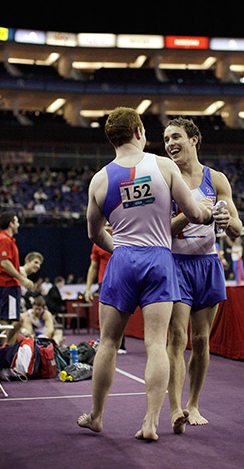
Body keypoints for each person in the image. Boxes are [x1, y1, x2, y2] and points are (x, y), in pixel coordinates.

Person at [76, 107, 212, 441]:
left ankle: (96, 416)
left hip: (122, 258)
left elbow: (94, 235)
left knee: (108, 342)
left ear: (111, 139)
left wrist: (120, 249)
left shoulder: (100, 180)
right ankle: (151, 422)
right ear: (140, 131)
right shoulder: (163, 166)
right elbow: (193, 212)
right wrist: (209, 215)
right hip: (159, 260)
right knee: (156, 344)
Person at [163, 117, 242, 433]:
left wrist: (224, 217)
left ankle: (193, 404)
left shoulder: (217, 179)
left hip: (208, 265)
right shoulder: (165, 179)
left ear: (194, 139)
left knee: (200, 339)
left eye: (176, 137)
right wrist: (192, 212)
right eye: (166, 139)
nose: (170, 144)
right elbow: (159, 231)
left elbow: (237, 229)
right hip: (176, 264)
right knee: (178, 338)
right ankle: (174, 409)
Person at [84, 223, 126, 353]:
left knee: (121, 313)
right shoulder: (98, 243)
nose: (107, 228)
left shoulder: (123, 240)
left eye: (110, 225)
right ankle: (104, 342)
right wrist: (88, 288)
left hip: (122, 280)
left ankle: (121, 344)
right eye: (105, 225)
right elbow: (93, 267)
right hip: (104, 282)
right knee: (105, 315)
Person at [0, 211, 34, 343]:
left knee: (13, 319)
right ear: (11, 224)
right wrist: (22, 279)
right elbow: (5, 263)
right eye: (17, 222)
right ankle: (4, 350)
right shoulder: (4, 239)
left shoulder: (8, 239)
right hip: (7, 284)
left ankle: (6, 348)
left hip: (10, 285)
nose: (19, 224)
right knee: (10, 320)